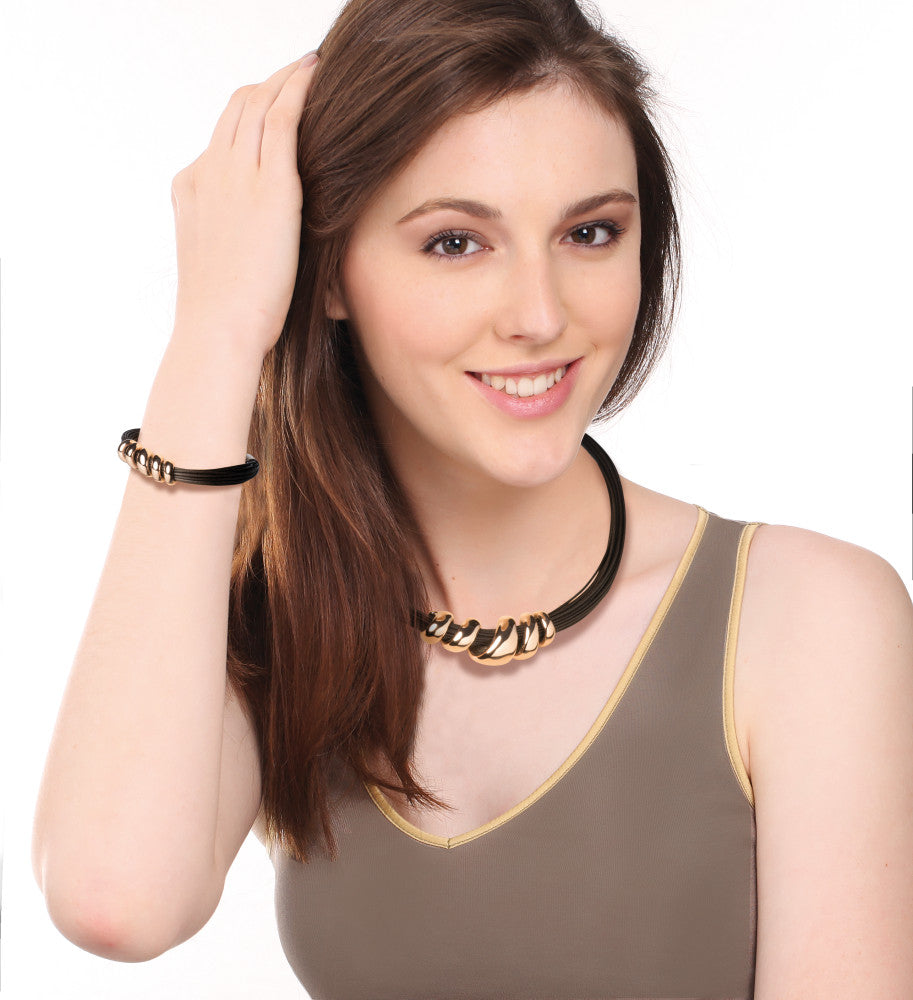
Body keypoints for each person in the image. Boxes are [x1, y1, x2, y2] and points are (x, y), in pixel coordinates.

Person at [31, 0, 912, 997]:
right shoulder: (288, 615)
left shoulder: (808, 618)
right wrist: (217, 329)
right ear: (327, 272)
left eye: (589, 232)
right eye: (456, 243)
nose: (540, 314)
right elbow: (114, 899)